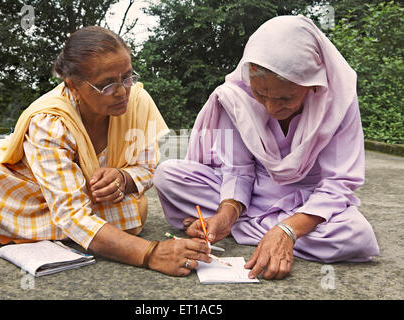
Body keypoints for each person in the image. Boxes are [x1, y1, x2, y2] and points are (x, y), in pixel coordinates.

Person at [0, 26, 211, 277]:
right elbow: (73, 215)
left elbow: (147, 169)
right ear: (73, 85)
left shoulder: (138, 102)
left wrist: (124, 179)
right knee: (126, 216)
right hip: (25, 184)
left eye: (127, 77)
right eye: (106, 84)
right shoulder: (50, 121)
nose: (122, 92)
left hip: (75, 200)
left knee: (133, 213)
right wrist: (151, 254)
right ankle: (8, 231)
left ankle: (6, 230)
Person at [153, 15, 380, 280]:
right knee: (168, 176)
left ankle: (264, 232)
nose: (271, 108)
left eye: (286, 98)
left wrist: (288, 230)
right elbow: (238, 170)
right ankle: (257, 229)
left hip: (309, 199)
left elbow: (339, 182)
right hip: (254, 193)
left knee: (355, 235)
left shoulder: (337, 101)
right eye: (261, 95)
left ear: (312, 83)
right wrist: (227, 214)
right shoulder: (236, 97)